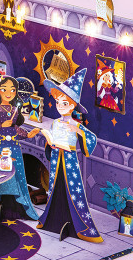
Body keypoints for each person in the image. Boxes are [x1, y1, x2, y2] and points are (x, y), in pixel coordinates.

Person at [37, 68, 103, 243]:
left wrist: (78, 131)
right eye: (58, 102)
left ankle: (80, 225)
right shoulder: (55, 122)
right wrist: (49, 142)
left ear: (73, 105)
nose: (60, 106)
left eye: (64, 103)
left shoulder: (76, 124)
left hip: (69, 160)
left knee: (73, 189)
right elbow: (51, 139)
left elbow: (91, 139)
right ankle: (53, 219)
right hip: (56, 159)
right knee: (55, 187)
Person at [0, 76, 40, 222]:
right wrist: (1, 125)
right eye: (4, 89)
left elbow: (15, 128)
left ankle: (11, 206)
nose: (9, 93)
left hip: (13, 146)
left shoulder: (14, 109)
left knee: (14, 173)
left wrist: (27, 134)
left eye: (12, 90)